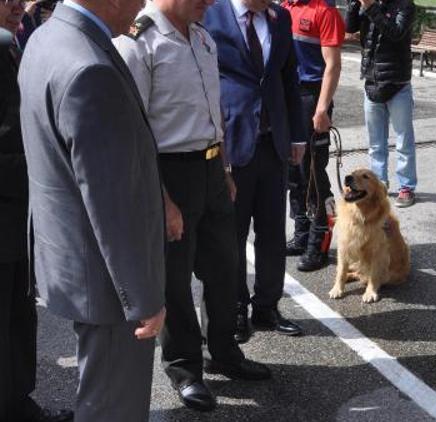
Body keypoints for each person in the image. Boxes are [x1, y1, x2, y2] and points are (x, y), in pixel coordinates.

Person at [113, 0, 272, 412]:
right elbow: (135, 128)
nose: (211, 2)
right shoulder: (139, 40)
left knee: (225, 266)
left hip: (210, 167)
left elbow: (211, 110)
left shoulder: (201, 35)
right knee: (176, 280)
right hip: (170, 174)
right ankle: (184, 369)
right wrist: (162, 199)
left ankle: (224, 351)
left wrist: (224, 169)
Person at [18, 1, 167, 420]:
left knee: (101, 396)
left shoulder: (45, 39)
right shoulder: (90, 68)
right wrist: (143, 298)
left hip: (73, 260)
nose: (142, 5)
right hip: (107, 283)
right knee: (112, 408)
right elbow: (112, 204)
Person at [204, 0, 306, 342]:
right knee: (230, 235)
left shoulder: (280, 17)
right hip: (230, 141)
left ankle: (267, 307)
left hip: (272, 142)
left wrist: (297, 134)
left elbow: (289, 76)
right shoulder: (209, 13)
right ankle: (234, 310)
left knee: (273, 233)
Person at [0, 4, 72, 421]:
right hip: (7, 210)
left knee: (19, 320)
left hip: (18, 218)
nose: (16, 7)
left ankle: (19, 403)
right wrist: (44, 160)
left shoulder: (15, 45)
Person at [283, 0, 345, 271]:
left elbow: (332, 65)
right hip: (288, 95)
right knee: (293, 173)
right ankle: (301, 233)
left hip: (311, 96)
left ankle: (318, 241)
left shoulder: (324, 11)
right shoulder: (283, 7)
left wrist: (322, 108)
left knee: (313, 174)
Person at [345, 0, 418, 208]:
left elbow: (395, 32)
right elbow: (350, 28)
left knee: (404, 140)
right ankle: (379, 184)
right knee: (376, 143)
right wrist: (354, 4)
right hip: (372, 81)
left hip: (397, 83)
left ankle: (407, 186)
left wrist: (370, 8)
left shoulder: (405, 5)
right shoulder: (368, 5)